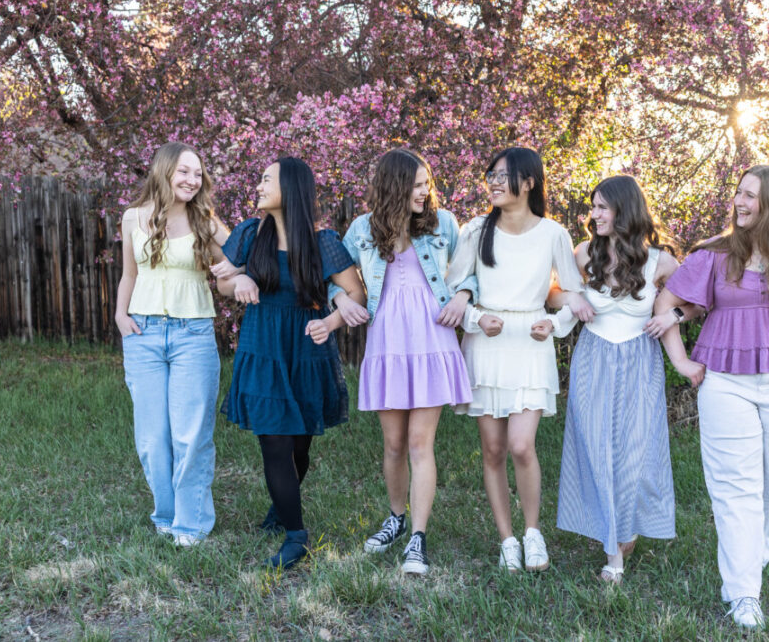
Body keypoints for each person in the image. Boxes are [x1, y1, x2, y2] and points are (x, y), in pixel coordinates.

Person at [654, 164, 769, 629]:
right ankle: (743, 593)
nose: (739, 202)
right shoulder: (715, 252)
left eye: (750, 196)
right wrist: (680, 360)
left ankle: (751, 557)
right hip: (724, 383)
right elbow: (666, 304)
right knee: (737, 490)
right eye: (738, 193)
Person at [544, 176, 702, 583]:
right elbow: (550, 293)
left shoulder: (660, 263)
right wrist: (572, 298)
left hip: (638, 362)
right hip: (593, 360)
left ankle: (624, 529)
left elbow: (698, 300)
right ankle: (613, 550)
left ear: (624, 210)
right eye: (592, 206)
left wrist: (673, 317)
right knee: (596, 446)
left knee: (633, 450)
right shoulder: (583, 254)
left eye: (602, 207)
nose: (593, 214)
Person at [329, 147, 476, 576]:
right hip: (388, 341)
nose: (424, 192)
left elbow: (469, 271)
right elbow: (332, 275)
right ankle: (395, 518)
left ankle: (418, 536)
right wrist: (340, 299)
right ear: (394, 186)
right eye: (415, 185)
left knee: (419, 444)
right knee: (393, 444)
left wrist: (464, 296)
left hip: (432, 337)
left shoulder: (443, 223)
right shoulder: (361, 229)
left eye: (426, 183)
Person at [212, 156, 365, 570]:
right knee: (274, 440)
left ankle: (282, 507)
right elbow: (223, 280)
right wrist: (239, 279)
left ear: (292, 189)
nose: (258, 186)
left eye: (266, 180)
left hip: (306, 348)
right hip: (263, 345)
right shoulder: (249, 233)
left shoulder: (323, 242)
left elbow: (355, 293)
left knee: (299, 445)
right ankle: (296, 535)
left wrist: (332, 321)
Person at [447, 146, 594, 573]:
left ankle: (533, 533)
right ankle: (507, 539)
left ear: (529, 183)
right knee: (492, 449)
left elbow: (571, 293)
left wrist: (557, 322)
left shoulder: (553, 234)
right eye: (490, 174)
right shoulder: (475, 229)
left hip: (531, 346)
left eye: (503, 175)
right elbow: (454, 288)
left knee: (520, 445)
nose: (493, 182)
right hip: (486, 345)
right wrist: (474, 319)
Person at [115, 141, 229, 547]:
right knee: (151, 438)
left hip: (192, 335)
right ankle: (166, 515)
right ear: (163, 171)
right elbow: (130, 273)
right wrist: (120, 314)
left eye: (197, 173)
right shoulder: (133, 217)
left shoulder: (206, 222)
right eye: (184, 171)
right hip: (142, 335)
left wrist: (238, 278)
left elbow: (235, 265)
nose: (191, 180)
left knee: (190, 434)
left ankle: (190, 524)